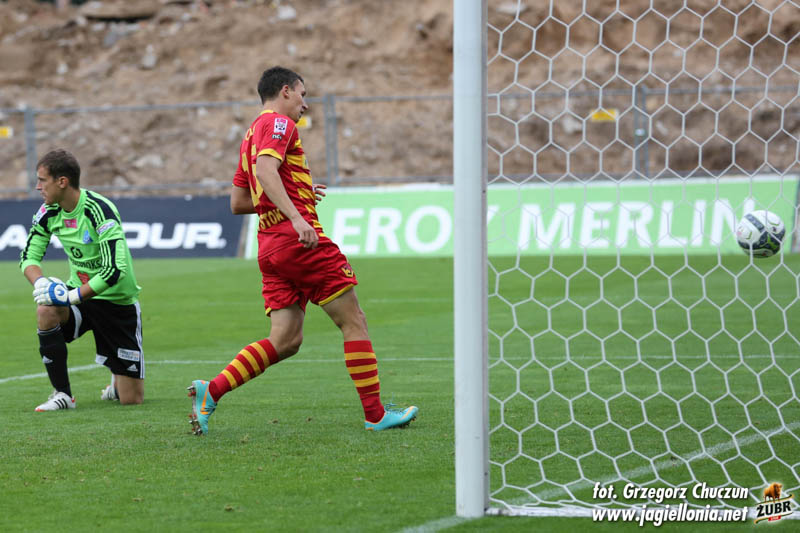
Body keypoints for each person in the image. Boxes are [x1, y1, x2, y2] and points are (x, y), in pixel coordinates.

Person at [187, 66, 417, 435]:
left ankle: (210, 392)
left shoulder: (250, 134)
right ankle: (375, 415)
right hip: (297, 241)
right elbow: (266, 171)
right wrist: (296, 216)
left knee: (286, 340)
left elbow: (238, 202)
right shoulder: (279, 124)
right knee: (353, 320)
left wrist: (296, 193)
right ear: (285, 91)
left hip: (269, 247)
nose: (305, 104)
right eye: (302, 94)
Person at [20, 149, 144, 411]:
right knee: (46, 310)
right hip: (80, 296)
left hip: (117, 302)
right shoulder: (48, 211)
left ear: (62, 182)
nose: (38, 186)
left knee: (131, 399)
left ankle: (117, 378)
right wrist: (41, 283)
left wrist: (71, 296)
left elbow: (114, 270)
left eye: (42, 180)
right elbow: (29, 257)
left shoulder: (99, 209)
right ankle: (63, 395)